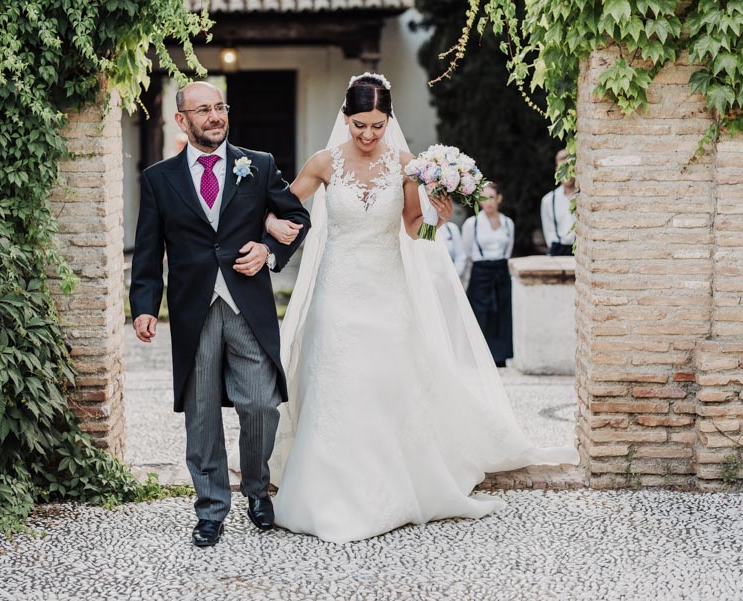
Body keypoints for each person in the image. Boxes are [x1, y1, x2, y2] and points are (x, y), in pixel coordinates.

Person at [263, 73, 578, 543]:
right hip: (338, 289)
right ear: (345, 119)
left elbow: (413, 231)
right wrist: (271, 220)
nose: (368, 136)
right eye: (359, 125)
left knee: (386, 383)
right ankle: (328, 490)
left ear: (389, 120)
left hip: (387, 289)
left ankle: (389, 486)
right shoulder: (324, 162)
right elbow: (283, 204)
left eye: (377, 125)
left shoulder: (407, 165)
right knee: (336, 378)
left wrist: (437, 216)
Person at [128, 82, 311, 548]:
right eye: (203, 110)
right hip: (193, 311)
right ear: (182, 120)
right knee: (202, 413)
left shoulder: (259, 164)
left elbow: (298, 218)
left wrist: (267, 251)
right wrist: (144, 307)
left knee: (261, 404)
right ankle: (210, 509)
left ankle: (255, 489)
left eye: (219, 107)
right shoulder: (158, 179)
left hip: (247, 304)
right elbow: (149, 250)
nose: (214, 116)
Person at [462, 182, 514, 367]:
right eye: (483, 197)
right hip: (481, 272)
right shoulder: (472, 224)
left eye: (491, 197)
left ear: (499, 199)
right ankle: (477, 356)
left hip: (500, 271)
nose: (488, 202)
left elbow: (508, 250)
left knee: (501, 312)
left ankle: (499, 356)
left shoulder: (508, 223)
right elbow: (467, 251)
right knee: (480, 313)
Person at [540, 148, 577, 256]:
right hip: (558, 251)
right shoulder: (548, 200)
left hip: (581, 250)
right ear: (557, 170)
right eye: (562, 169)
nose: (566, 174)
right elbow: (548, 231)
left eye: (569, 169)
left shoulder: (584, 197)